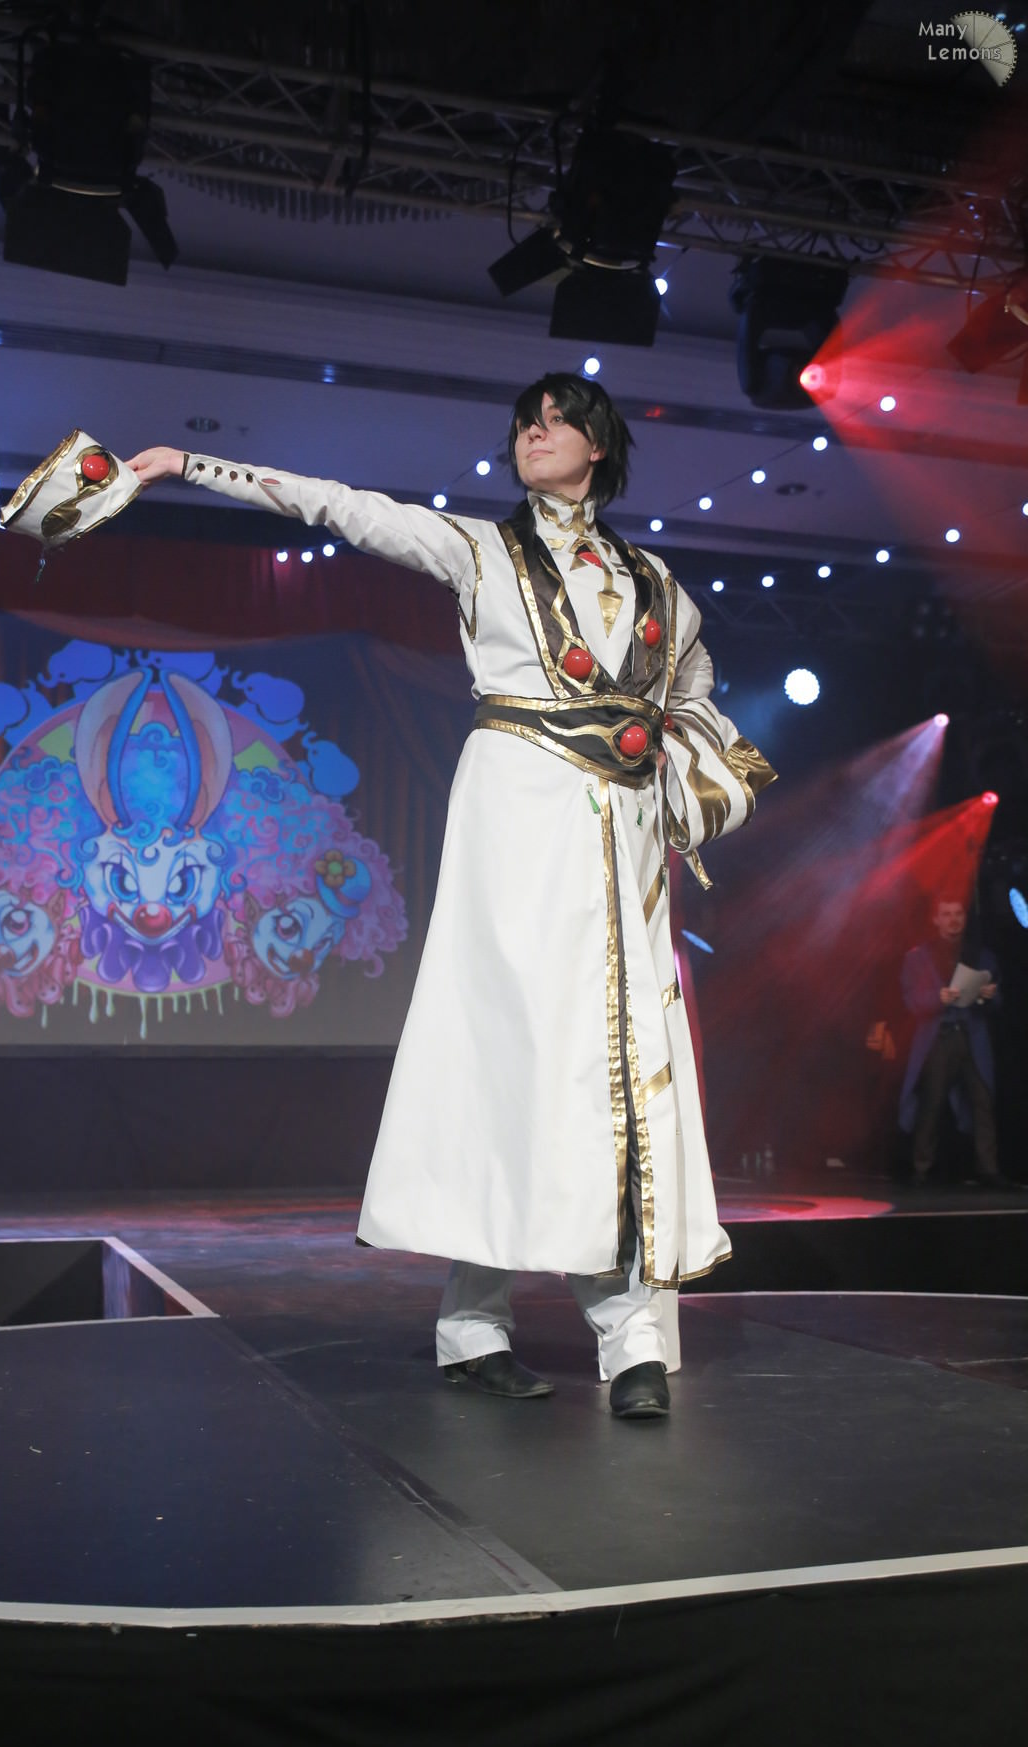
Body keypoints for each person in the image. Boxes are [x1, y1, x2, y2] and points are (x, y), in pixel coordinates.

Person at [129, 372, 776, 1419]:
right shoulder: (481, 551)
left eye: (558, 421)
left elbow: (693, 691)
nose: (535, 433)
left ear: (599, 447)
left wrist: (688, 768)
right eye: (525, 423)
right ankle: (551, 1330)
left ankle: (577, 1334)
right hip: (518, 815)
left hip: (619, 835)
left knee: (609, 1058)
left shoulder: (657, 583)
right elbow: (344, 507)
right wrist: (194, 466)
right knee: (516, 1054)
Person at [899, 894, 1001, 1185]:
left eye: (958, 914)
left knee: (983, 1101)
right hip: (940, 1035)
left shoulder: (982, 956)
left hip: (972, 1035)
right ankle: (922, 1167)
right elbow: (911, 1001)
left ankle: (988, 1168)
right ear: (936, 919)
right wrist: (937, 998)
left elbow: (999, 1001)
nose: (953, 920)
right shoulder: (918, 957)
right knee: (931, 1102)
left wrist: (987, 996)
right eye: (947, 914)